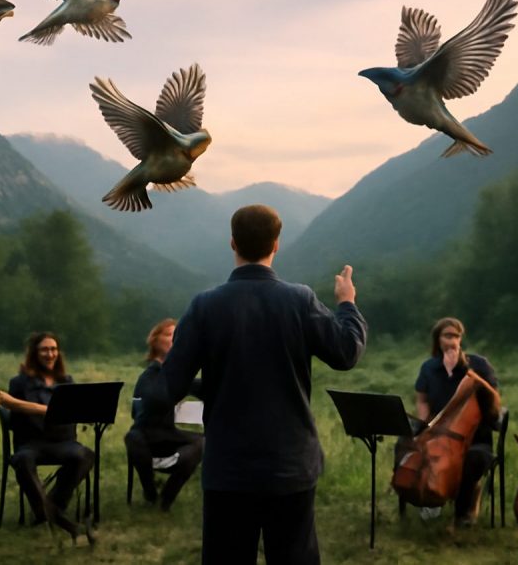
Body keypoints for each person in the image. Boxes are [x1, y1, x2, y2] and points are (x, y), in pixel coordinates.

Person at [156, 203, 368, 565]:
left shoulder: (204, 306)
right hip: (291, 467)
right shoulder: (299, 299)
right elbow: (346, 353)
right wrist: (347, 303)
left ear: (232, 243)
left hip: (228, 469)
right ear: (277, 244)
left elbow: (169, 387)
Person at [0, 331, 95, 542]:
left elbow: (76, 413)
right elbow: (15, 421)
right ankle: (51, 514)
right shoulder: (19, 383)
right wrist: (42, 411)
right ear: (34, 353)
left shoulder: (66, 381)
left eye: (53, 349)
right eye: (44, 349)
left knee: (86, 455)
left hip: (63, 442)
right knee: (23, 460)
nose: (50, 354)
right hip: (31, 443)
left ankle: (50, 508)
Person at [410, 317, 500, 526]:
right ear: (438, 340)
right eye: (447, 335)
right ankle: (429, 498)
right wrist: (424, 425)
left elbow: (494, 401)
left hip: (475, 437)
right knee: (410, 447)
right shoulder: (429, 367)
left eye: (456, 336)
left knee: (473, 458)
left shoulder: (478, 364)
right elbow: (422, 399)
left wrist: (464, 373)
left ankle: (465, 510)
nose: (452, 341)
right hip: (439, 434)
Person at [124, 318, 204, 510]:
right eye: (169, 334)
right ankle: (150, 492)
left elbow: (207, 389)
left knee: (204, 442)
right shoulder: (150, 374)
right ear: (155, 340)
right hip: (144, 436)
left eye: (178, 336)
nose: (174, 339)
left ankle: (165, 500)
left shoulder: (177, 375)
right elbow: (150, 404)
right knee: (132, 437)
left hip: (168, 435)